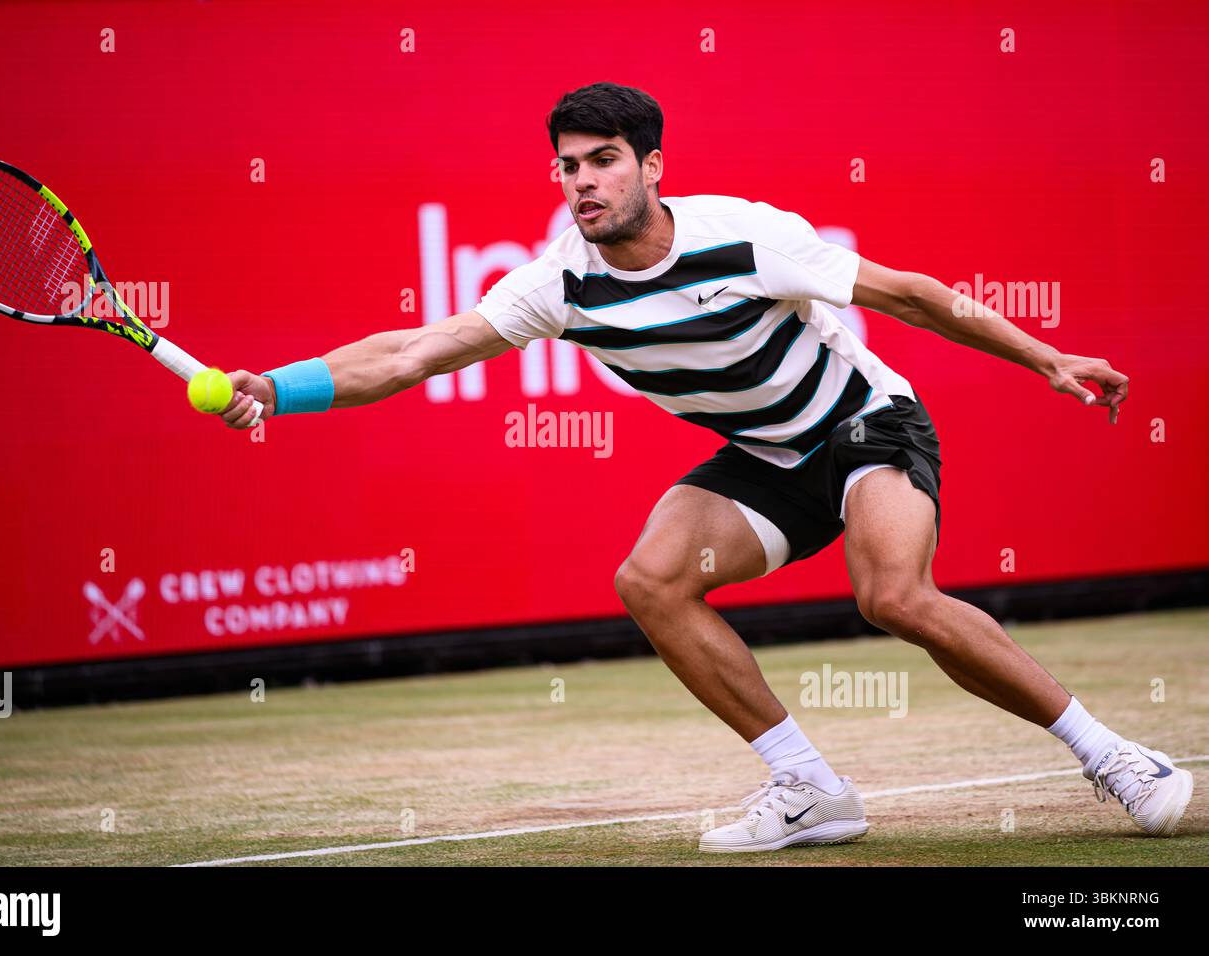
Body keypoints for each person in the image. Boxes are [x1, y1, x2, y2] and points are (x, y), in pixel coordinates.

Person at [217, 82, 1191, 852]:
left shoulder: (749, 235)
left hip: (863, 425)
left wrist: (1046, 355)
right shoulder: (557, 280)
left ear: (651, 166)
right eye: (566, 168)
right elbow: (408, 354)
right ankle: (810, 787)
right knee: (649, 579)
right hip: (766, 456)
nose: (582, 182)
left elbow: (914, 295)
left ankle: (1116, 758)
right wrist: (280, 385)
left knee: (892, 594)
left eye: (603, 162)